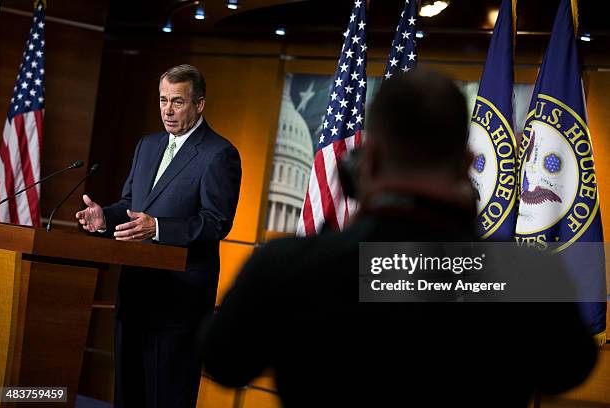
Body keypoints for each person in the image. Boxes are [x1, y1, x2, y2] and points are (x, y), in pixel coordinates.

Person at [199, 69, 597, 407]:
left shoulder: (286, 266)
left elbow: (223, 360)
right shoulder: (525, 275)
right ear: (464, 167)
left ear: (366, 161)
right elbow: (568, 369)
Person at [75, 64, 241, 408]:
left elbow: (216, 223)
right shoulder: (147, 145)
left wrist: (159, 228)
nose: (167, 110)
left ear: (199, 104)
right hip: (135, 294)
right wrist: (104, 217)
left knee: (166, 397)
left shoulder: (219, 153)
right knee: (128, 394)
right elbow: (130, 205)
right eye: (163, 100)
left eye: (177, 102)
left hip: (179, 302)